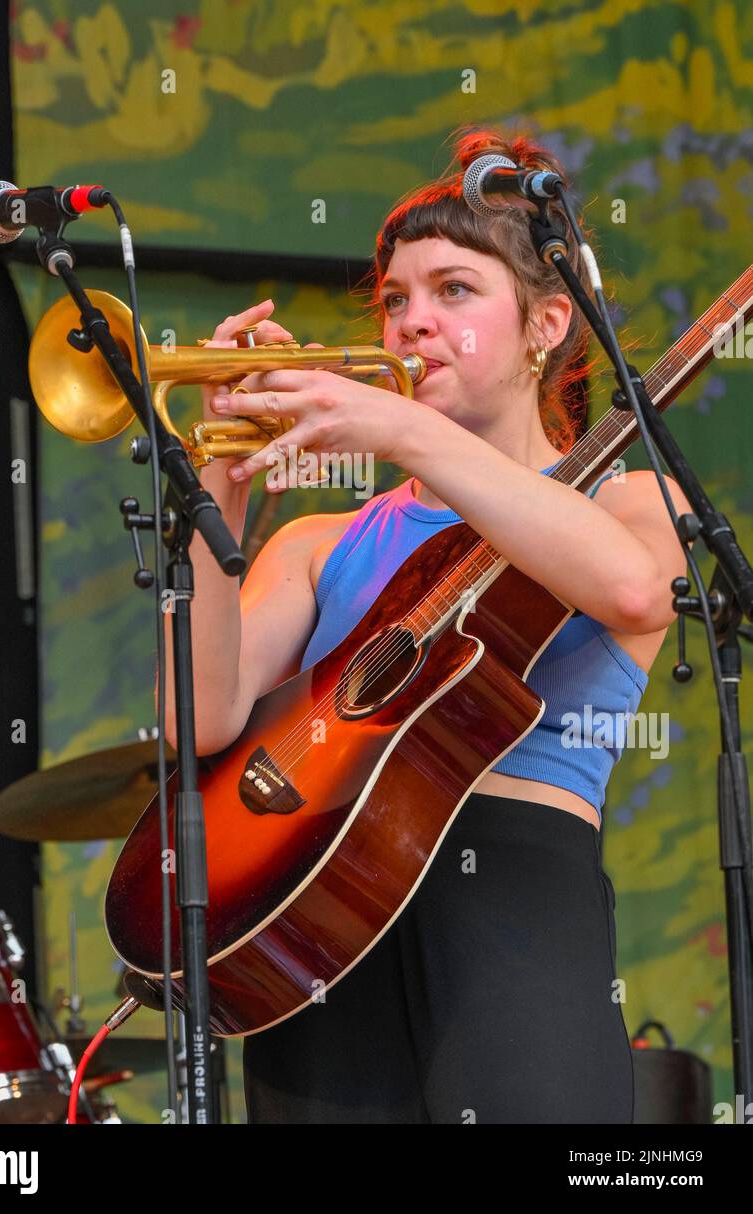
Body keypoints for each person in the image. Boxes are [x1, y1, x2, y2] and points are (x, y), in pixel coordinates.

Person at [164, 126, 688, 1124]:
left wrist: (404, 429)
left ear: (544, 325)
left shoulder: (626, 499)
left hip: (513, 893)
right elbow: (197, 718)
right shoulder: (323, 541)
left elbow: (632, 592)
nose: (411, 323)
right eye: (396, 300)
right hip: (311, 907)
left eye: (453, 291)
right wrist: (218, 494)